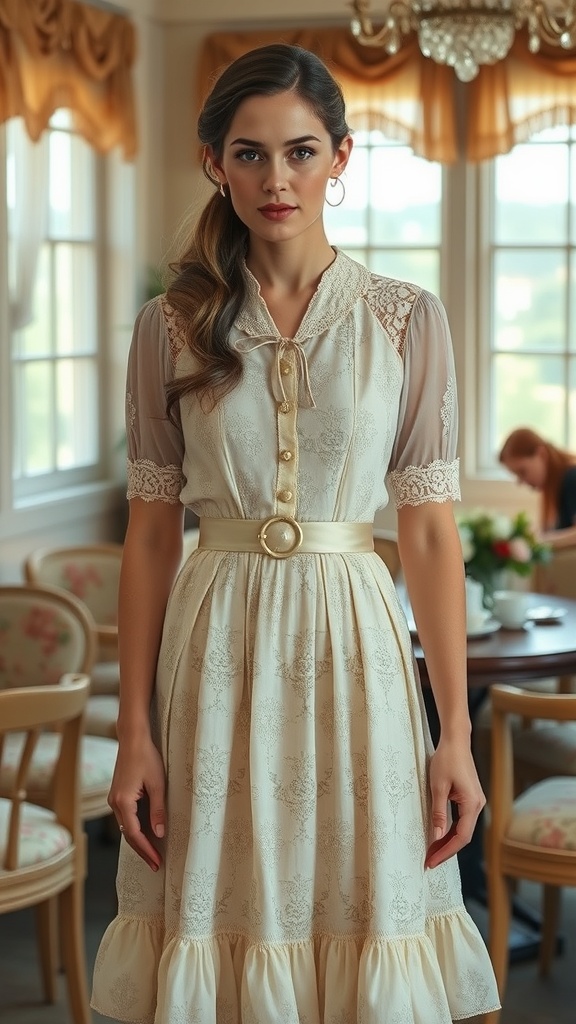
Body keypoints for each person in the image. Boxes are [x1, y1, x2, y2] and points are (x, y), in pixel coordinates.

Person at [91, 43, 499, 1024]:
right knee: (222, 918)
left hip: (355, 648)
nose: (278, 179)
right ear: (214, 163)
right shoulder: (171, 324)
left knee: (362, 914)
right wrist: (134, 734)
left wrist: (454, 737)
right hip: (215, 652)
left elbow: (431, 534)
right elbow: (151, 537)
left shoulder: (407, 321)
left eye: (303, 152)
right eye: (251, 154)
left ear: (343, 158)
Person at [499, 426, 576, 545]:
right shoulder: (559, 484)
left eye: (522, 472)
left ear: (541, 454)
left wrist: (539, 542)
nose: (520, 482)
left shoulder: (572, 478)